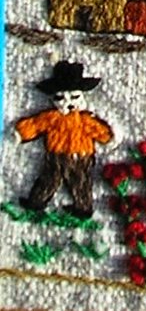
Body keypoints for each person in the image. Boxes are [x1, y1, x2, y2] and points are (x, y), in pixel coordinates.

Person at [15, 59, 113, 220]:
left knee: (79, 181)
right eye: (61, 98)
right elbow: (36, 124)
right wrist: (21, 133)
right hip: (57, 155)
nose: (68, 103)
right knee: (50, 179)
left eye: (74, 97)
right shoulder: (52, 117)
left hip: (81, 155)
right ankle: (36, 202)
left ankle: (83, 207)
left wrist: (108, 137)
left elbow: (98, 130)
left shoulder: (83, 120)